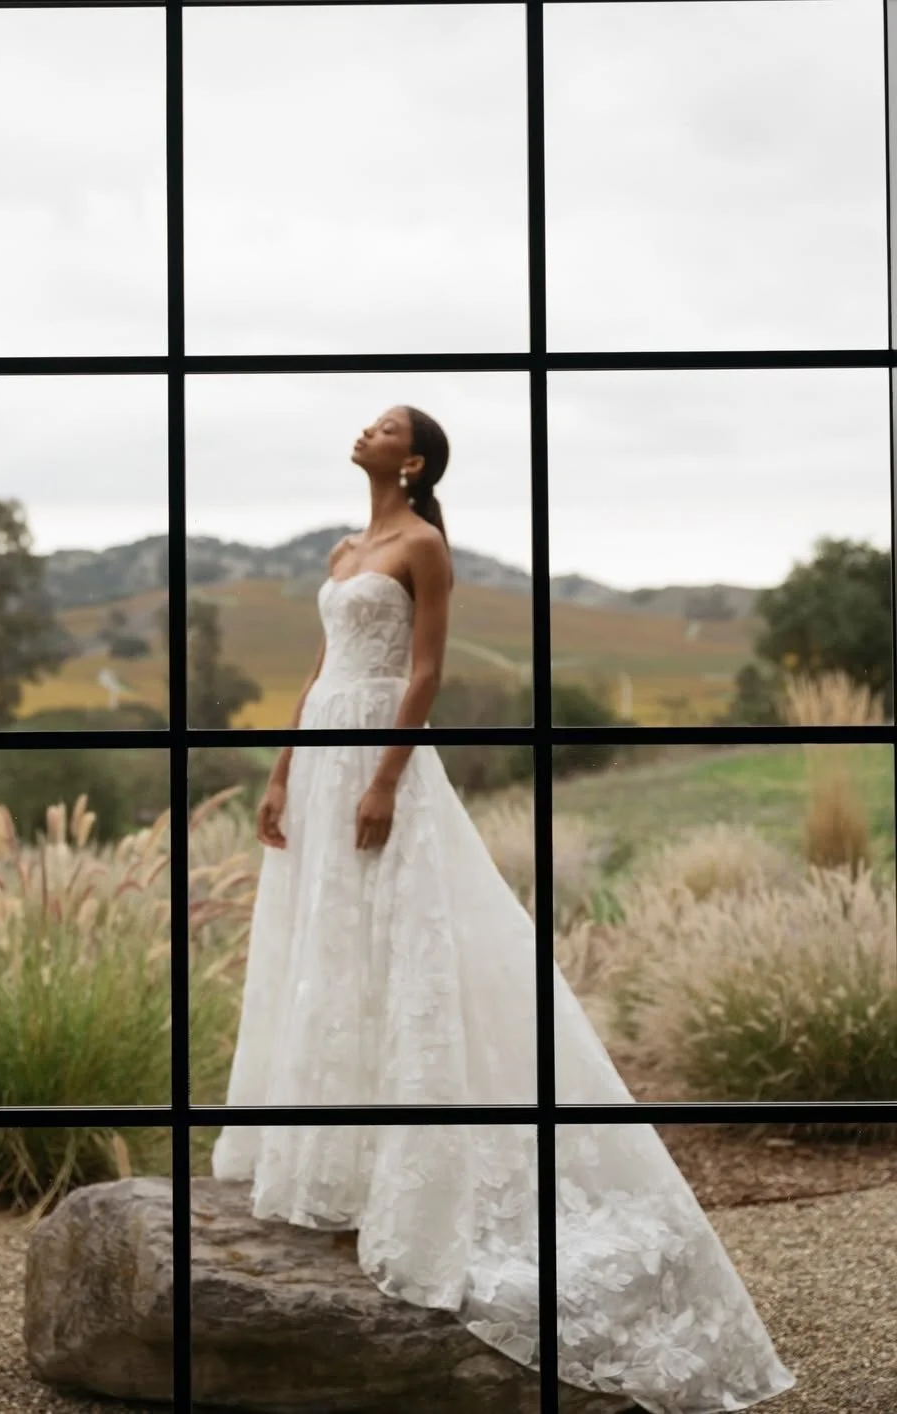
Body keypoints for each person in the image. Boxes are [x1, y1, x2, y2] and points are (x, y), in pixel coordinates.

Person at [210, 406, 795, 1413]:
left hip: (380, 758)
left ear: (417, 458)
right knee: (330, 953)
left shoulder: (423, 545)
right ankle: (332, 1161)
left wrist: (385, 779)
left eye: (385, 425)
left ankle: (418, 1167)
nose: (367, 429)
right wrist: (279, 774)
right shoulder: (348, 546)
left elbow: (425, 670)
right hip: (320, 757)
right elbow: (317, 676)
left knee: (399, 952)